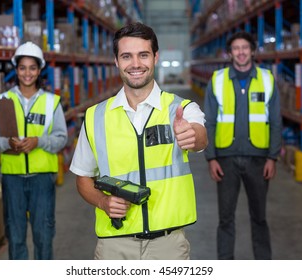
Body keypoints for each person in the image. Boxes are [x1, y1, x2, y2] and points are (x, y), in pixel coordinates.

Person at [70, 22, 208, 260]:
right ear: (116, 61)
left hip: (169, 245)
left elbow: (200, 137)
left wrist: (192, 136)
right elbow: (83, 176)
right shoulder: (95, 117)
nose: (135, 64)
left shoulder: (180, 109)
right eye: (126, 56)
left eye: (143, 55)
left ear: (155, 57)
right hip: (115, 244)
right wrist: (103, 202)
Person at [0, 41, 68, 260]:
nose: (27, 73)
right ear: (16, 69)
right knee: (16, 236)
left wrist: (38, 141)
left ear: (39, 70)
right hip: (12, 180)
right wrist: (7, 144)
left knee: (43, 235)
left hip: (42, 179)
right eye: (22, 68)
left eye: (32, 68)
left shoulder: (52, 102)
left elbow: (61, 138)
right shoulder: (3, 101)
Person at [204, 31, 282, 260]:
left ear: (253, 51)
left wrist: (272, 157)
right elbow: (209, 121)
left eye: (245, 48)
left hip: (259, 160)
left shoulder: (267, 79)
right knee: (225, 219)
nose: (240, 52)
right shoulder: (217, 80)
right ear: (230, 53)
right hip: (225, 160)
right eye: (236, 48)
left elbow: (276, 121)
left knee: (259, 217)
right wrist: (211, 158)